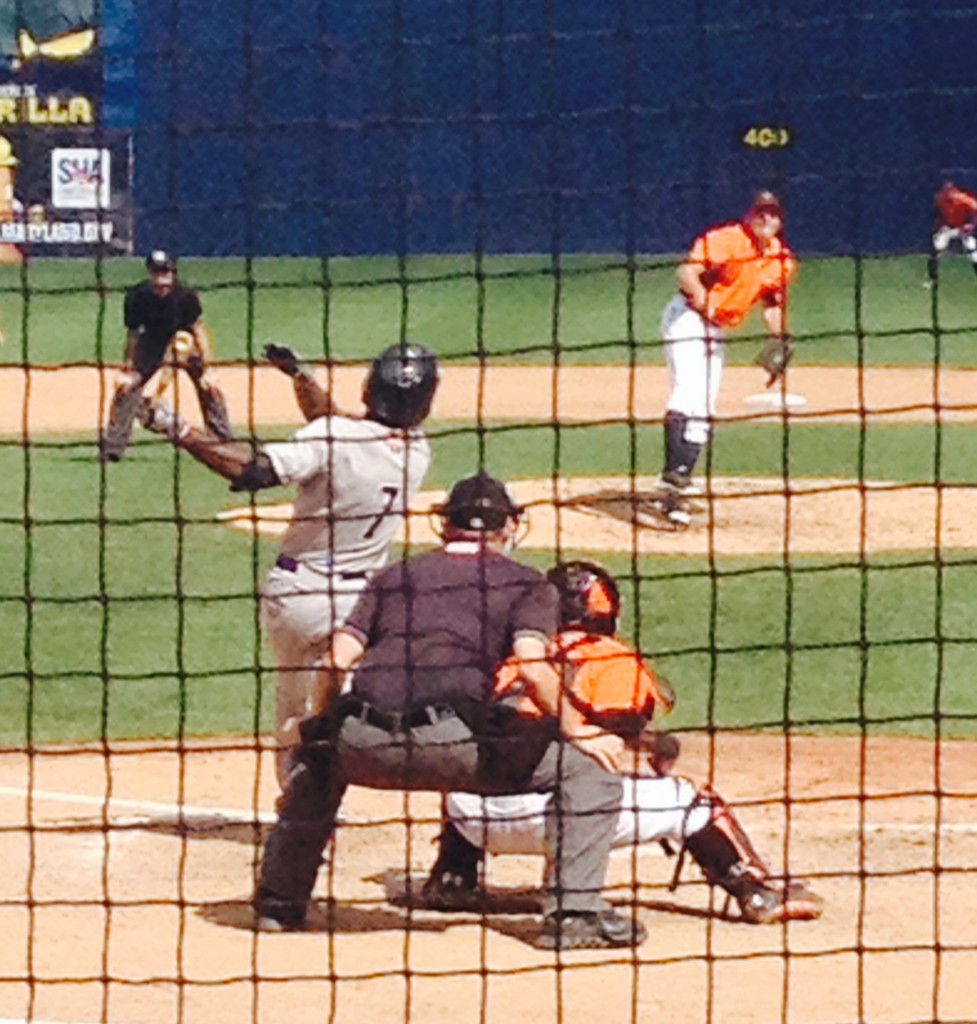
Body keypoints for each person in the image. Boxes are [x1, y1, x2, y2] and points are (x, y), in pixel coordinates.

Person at [253, 473, 645, 951]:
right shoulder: (525, 584)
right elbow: (532, 665)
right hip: (455, 745)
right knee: (588, 769)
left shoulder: (394, 577)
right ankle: (574, 916)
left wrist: (324, 723)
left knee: (318, 757)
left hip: (365, 744)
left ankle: (279, 904)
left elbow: (337, 658)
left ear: (444, 526)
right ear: (512, 526)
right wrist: (579, 730)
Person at [424, 560, 824, 926]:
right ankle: (755, 891)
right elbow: (615, 733)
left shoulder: (511, 660)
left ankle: (453, 876)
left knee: (470, 762)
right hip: (568, 816)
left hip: (476, 818)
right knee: (696, 799)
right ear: (607, 610)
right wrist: (653, 745)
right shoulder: (612, 659)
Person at [142, 341, 439, 789]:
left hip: (300, 597)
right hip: (362, 608)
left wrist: (176, 427)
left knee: (295, 710)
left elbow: (252, 470)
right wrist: (302, 376)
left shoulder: (333, 439)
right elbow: (337, 424)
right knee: (342, 709)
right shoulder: (417, 449)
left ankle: (297, 810)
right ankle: (327, 798)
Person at [653, 190, 797, 529]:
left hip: (714, 329)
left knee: (704, 409)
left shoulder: (781, 259)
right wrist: (706, 302)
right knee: (688, 394)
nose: (766, 219)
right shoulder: (727, 239)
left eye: (773, 214)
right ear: (749, 215)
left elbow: (772, 302)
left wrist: (780, 336)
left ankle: (676, 487)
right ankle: (674, 479)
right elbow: (687, 272)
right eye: (760, 212)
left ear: (780, 220)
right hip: (687, 318)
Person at [99, 249, 232, 463]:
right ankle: (113, 449)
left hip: (184, 341)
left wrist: (209, 368)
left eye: (166, 273)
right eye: (156, 273)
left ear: (173, 273)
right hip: (152, 342)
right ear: (150, 274)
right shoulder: (137, 296)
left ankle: (223, 441)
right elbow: (133, 335)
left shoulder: (186, 296)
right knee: (127, 389)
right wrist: (128, 368)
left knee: (210, 388)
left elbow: (198, 331)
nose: (161, 279)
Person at [927, 180, 977, 285]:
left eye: (950, 191)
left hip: (962, 227)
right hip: (948, 228)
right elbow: (938, 216)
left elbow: (975, 212)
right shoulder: (940, 199)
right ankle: (932, 279)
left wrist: (971, 225)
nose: (948, 194)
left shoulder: (963, 199)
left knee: (973, 250)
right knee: (936, 249)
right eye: (945, 191)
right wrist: (938, 229)